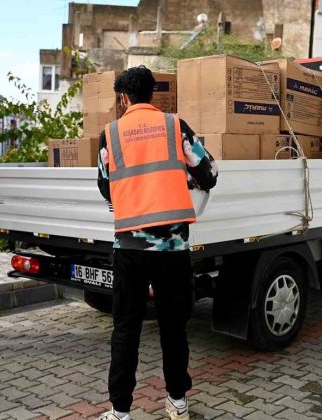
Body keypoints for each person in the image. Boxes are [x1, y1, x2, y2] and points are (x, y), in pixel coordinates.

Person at [96, 66, 218, 420]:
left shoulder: (110, 134)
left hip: (130, 250)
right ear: (153, 95)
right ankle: (177, 402)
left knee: (126, 330)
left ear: (123, 98)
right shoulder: (174, 126)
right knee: (174, 327)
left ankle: (120, 411)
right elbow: (208, 173)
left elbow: (105, 185)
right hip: (173, 250)